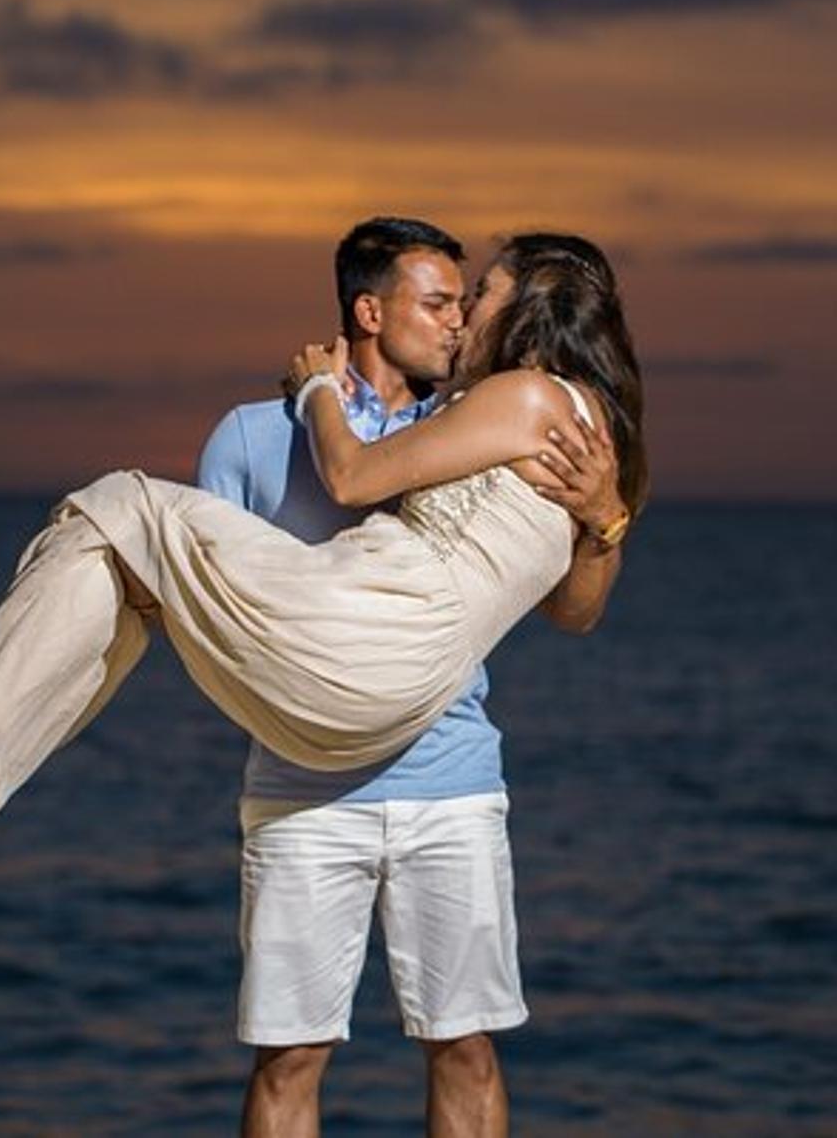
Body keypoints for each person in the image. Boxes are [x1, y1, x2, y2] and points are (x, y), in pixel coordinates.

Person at [0, 227, 646, 877]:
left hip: (372, 637)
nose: (466, 313)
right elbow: (574, 612)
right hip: (383, 703)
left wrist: (318, 388)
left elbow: (352, 477)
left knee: (118, 501)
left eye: (483, 292)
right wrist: (607, 519)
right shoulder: (590, 434)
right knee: (129, 571)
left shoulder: (525, 394)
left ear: (533, 307)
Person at [198, 219, 631, 1138]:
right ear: (370, 311)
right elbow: (217, 612)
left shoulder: (477, 421)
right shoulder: (250, 437)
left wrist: (603, 519)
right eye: (440, 302)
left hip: (452, 781)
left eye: (469, 300)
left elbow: (573, 610)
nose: (459, 318)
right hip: (304, 789)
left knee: (466, 1048)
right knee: (289, 1055)